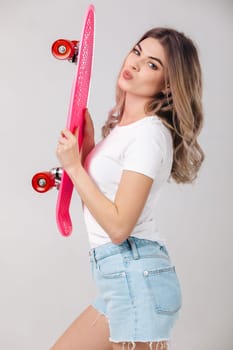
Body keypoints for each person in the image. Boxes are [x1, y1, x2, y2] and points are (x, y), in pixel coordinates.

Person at [51, 27, 204, 350]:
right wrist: (89, 151)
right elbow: (101, 209)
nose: (134, 64)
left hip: (137, 278)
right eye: (137, 51)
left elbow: (119, 227)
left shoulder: (148, 136)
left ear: (168, 86)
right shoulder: (125, 130)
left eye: (152, 64)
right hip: (121, 279)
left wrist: (75, 168)